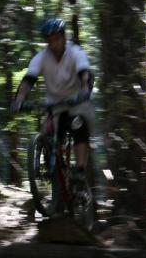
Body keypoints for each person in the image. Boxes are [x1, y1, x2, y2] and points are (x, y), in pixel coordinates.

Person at [11, 18, 95, 180]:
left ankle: (80, 171)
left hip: (76, 101)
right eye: (49, 40)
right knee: (48, 134)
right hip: (55, 104)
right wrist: (19, 100)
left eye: (56, 39)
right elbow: (28, 80)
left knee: (79, 127)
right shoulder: (41, 58)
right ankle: (53, 170)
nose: (53, 44)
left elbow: (85, 74)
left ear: (64, 38)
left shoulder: (75, 53)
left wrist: (84, 91)